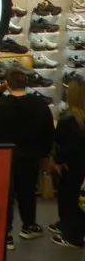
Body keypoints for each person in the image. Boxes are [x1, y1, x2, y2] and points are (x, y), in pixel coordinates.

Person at [0, 65, 56, 247]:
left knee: (5, 193)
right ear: (27, 83)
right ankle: (29, 226)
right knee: (27, 192)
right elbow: (48, 133)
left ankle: (5, 234)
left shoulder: (0, 104)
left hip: (3, 155)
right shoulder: (40, 105)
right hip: (29, 156)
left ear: (6, 84)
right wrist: (45, 154)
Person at [52, 79, 85, 249]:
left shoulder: (67, 120)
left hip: (71, 167)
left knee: (68, 198)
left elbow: (62, 146)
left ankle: (72, 236)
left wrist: (58, 162)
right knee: (80, 199)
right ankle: (70, 228)